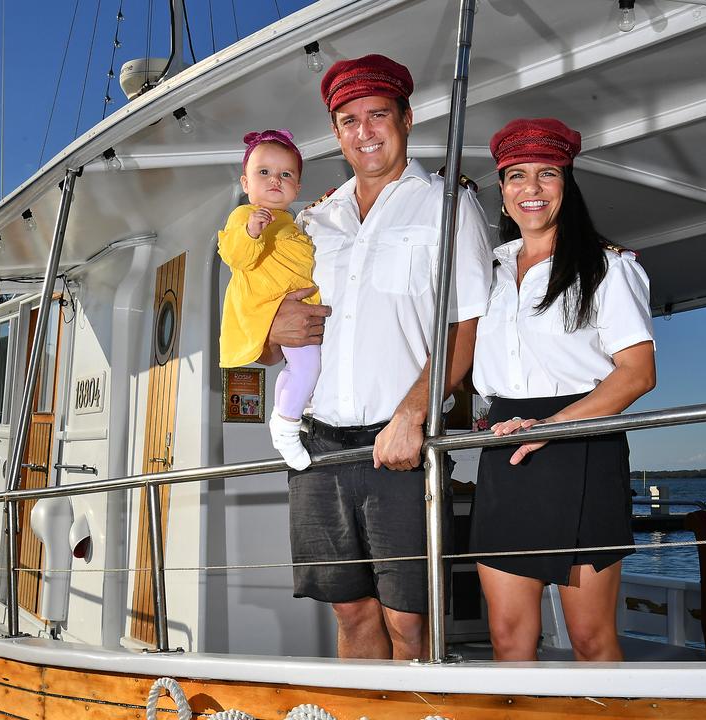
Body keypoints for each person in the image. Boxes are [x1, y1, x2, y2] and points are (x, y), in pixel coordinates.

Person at [259, 54, 493, 660]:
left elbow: (466, 327)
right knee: (351, 609)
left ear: (407, 119)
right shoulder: (312, 222)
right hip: (319, 444)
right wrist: (271, 331)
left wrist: (413, 415)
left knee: (409, 619)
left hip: (403, 445)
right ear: (336, 134)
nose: (365, 131)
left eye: (378, 115)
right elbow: (266, 342)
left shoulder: (447, 204)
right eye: (349, 119)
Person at [469, 118, 657, 662]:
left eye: (546, 174)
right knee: (507, 637)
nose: (531, 188)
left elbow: (638, 373)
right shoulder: (488, 273)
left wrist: (553, 428)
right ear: (502, 194)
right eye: (516, 177)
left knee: (590, 638)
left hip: (581, 442)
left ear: (566, 186)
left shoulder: (608, 267)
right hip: (506, 448)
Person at [217, 129, 319, 470]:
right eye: (264, 172)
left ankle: (286, 414)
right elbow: (235, 256)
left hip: (294, 309)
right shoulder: (244, 217)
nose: (275, 180)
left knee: (301, 367)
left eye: (285, 174)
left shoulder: (291, 224)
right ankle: (286, 427)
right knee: (307, 366)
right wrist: (250, 232)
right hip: (267, 309)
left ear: (297, 188)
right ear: (245, 183)